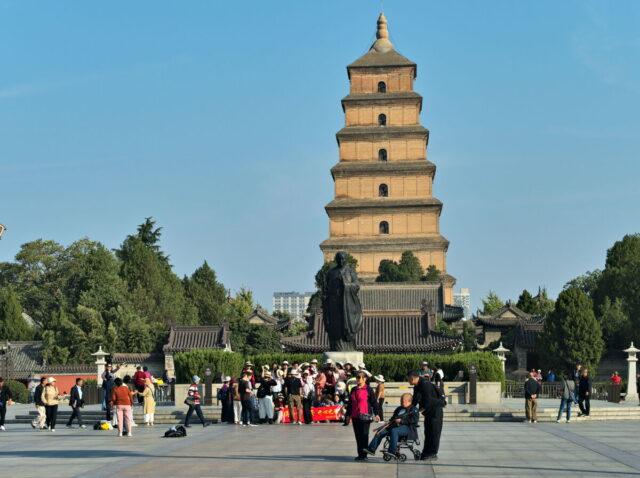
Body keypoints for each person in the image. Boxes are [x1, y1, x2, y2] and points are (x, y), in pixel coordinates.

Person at [364, 393, 419, 458]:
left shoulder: (413, 409)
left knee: (394, 431)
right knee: (380, 431)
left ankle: (392, 451)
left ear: (409, 401)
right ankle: (371, 449)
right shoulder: (399, 409)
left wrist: (402, 421)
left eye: (402, 401)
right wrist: (389, 422)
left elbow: (414, 420)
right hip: (395, 426)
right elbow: (393, 418)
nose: (401, 402)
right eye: (400, 400)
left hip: (408, 428)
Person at [409, 370, 445, 461]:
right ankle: (426, 452)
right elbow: (415, 399)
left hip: (435, 411)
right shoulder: (417, 385)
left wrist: (421, 409)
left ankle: (432, 453)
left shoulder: (425, 384)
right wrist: (409, 409)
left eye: (408, 379)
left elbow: (428, 400)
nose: (408, 381)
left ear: (412, 378)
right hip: (428, 412)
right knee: (428, 432)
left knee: (434, 433)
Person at [346, 372, 379, 461]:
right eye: (357, 377)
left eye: (360, 377)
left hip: (365, 416)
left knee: (364, 435)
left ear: (365, 379)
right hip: (355, 415)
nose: (358, 379)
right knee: (358, 435)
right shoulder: (353, 389)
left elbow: (374, 402)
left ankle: (364, 455)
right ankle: (360, 454)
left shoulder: (368, 389)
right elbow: (350, 404)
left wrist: (377, 414)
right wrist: (348, 415)